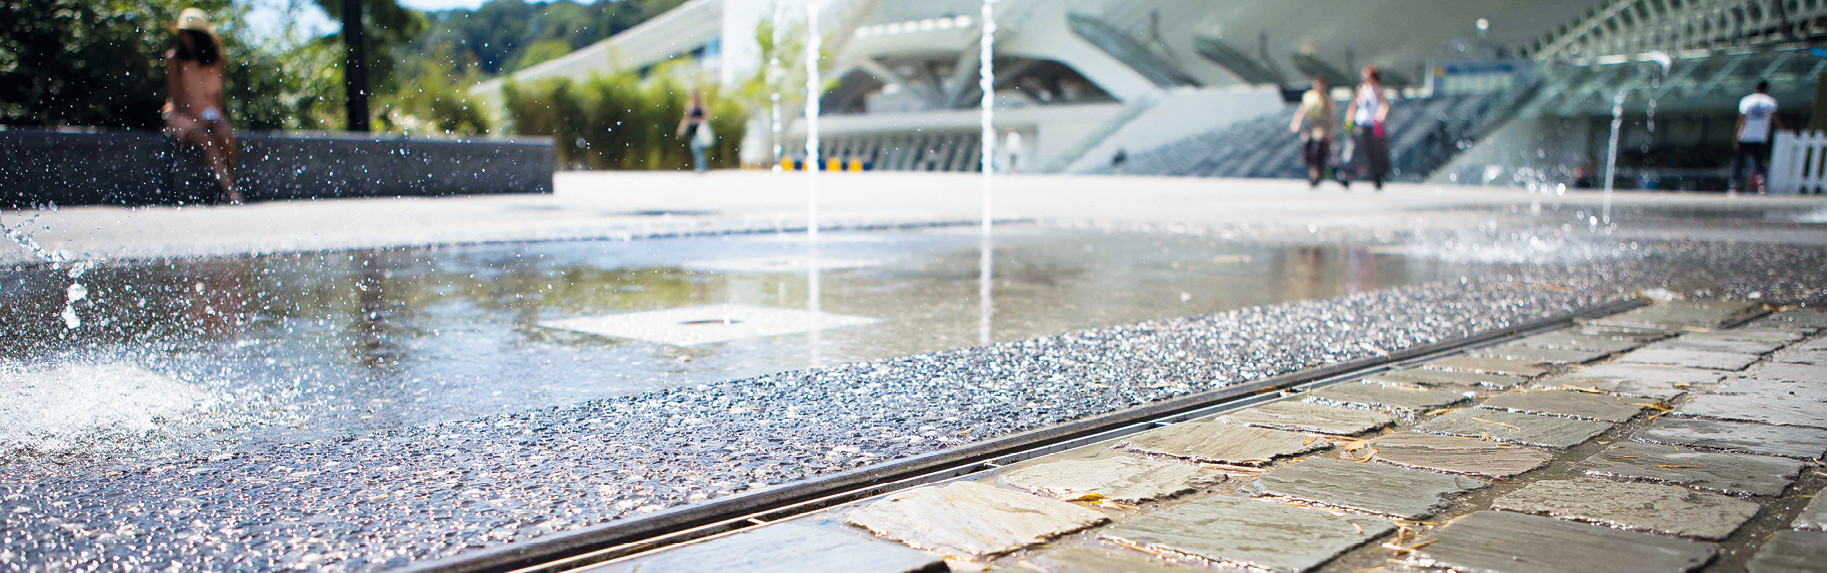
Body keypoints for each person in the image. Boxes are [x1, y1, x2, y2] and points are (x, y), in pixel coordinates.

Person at [163, 8, 242, 204]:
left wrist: (215, 118)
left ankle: (228, 182)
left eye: (188, 34)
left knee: (225, 133)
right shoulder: (174, 59)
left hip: (208, 112)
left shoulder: (217, 60)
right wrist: (197, 120)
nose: (183, 38)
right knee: (206, 141)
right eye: (182, 33)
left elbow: (217, 98)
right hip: (181, 114)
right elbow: (176, 98)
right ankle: (231, 192)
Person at [1342, 65, 1391, 191]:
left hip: (1373, 125)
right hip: (1360, 124)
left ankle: (1377, 177)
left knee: (1374, 152)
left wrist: (1380, 117)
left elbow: (1384, 105)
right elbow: (1353, 106)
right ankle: (1347, 175)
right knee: (1354, 149)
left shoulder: (1378, 89)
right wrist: (1348, 121)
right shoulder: (1361, 89)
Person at [1730, 81, 1781, 194]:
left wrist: (1736, 136)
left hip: (1745, 136)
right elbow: (1775, 119)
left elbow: (1741, 119)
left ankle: (1735, 185)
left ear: (1755, 88)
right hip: (1760, 137)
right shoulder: (1770, 102)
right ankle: (1761, 184)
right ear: (1766, 89)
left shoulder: (1746, 101)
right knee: (1760, 162)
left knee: (1739, 162)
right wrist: (1783, 129)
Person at [1289, 76, 1337, 188]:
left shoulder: (1327, 98)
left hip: (1322, 127)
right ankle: (1313, 172)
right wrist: (1296, 124)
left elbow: (1332, 116)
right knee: (1307, 151)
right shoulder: (1309, 96)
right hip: (1310, 125)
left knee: (1318, 151)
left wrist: (1332, 131)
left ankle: (1316, 174)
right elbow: (1302, 111)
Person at [677, 91, 712, 173]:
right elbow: (685, 118)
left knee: (699, 148)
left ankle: (701, 167)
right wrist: (681, 128)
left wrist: (698, 120)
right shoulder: (689, 106)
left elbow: (708, 116)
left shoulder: (702, 106)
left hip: (701, 130)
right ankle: (700, 166)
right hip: (692, 130)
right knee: (695, 149)